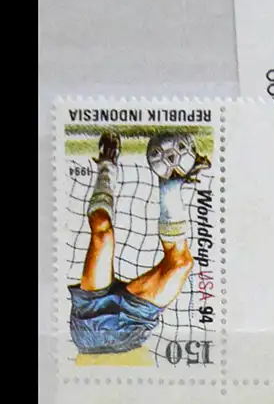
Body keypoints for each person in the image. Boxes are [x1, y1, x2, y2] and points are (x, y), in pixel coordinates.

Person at [68, 130, 210, 357]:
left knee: (102, 230)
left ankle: (107, 163)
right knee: (181, 264)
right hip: (129, 333)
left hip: (89, 328)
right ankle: (171, 182)